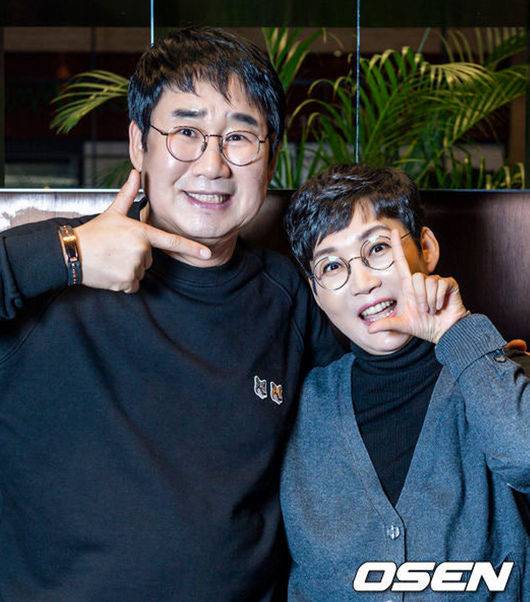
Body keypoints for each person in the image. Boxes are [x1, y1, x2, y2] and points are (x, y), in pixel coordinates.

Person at [0, 29, 342, 601]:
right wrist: (71, 255)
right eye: (186, 132)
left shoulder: (289, 294)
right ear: (139, 144)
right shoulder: (54, 269)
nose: (212, 165)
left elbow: (376, 410)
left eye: (240, 136)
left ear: (271, 157)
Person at [281, 164, 530, 601]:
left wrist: (456, 329)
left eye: (378, 248)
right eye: (332, 266)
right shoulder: (301, 404)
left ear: (426, 248)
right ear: (316, 291)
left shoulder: (495, 374)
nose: (364, 283)